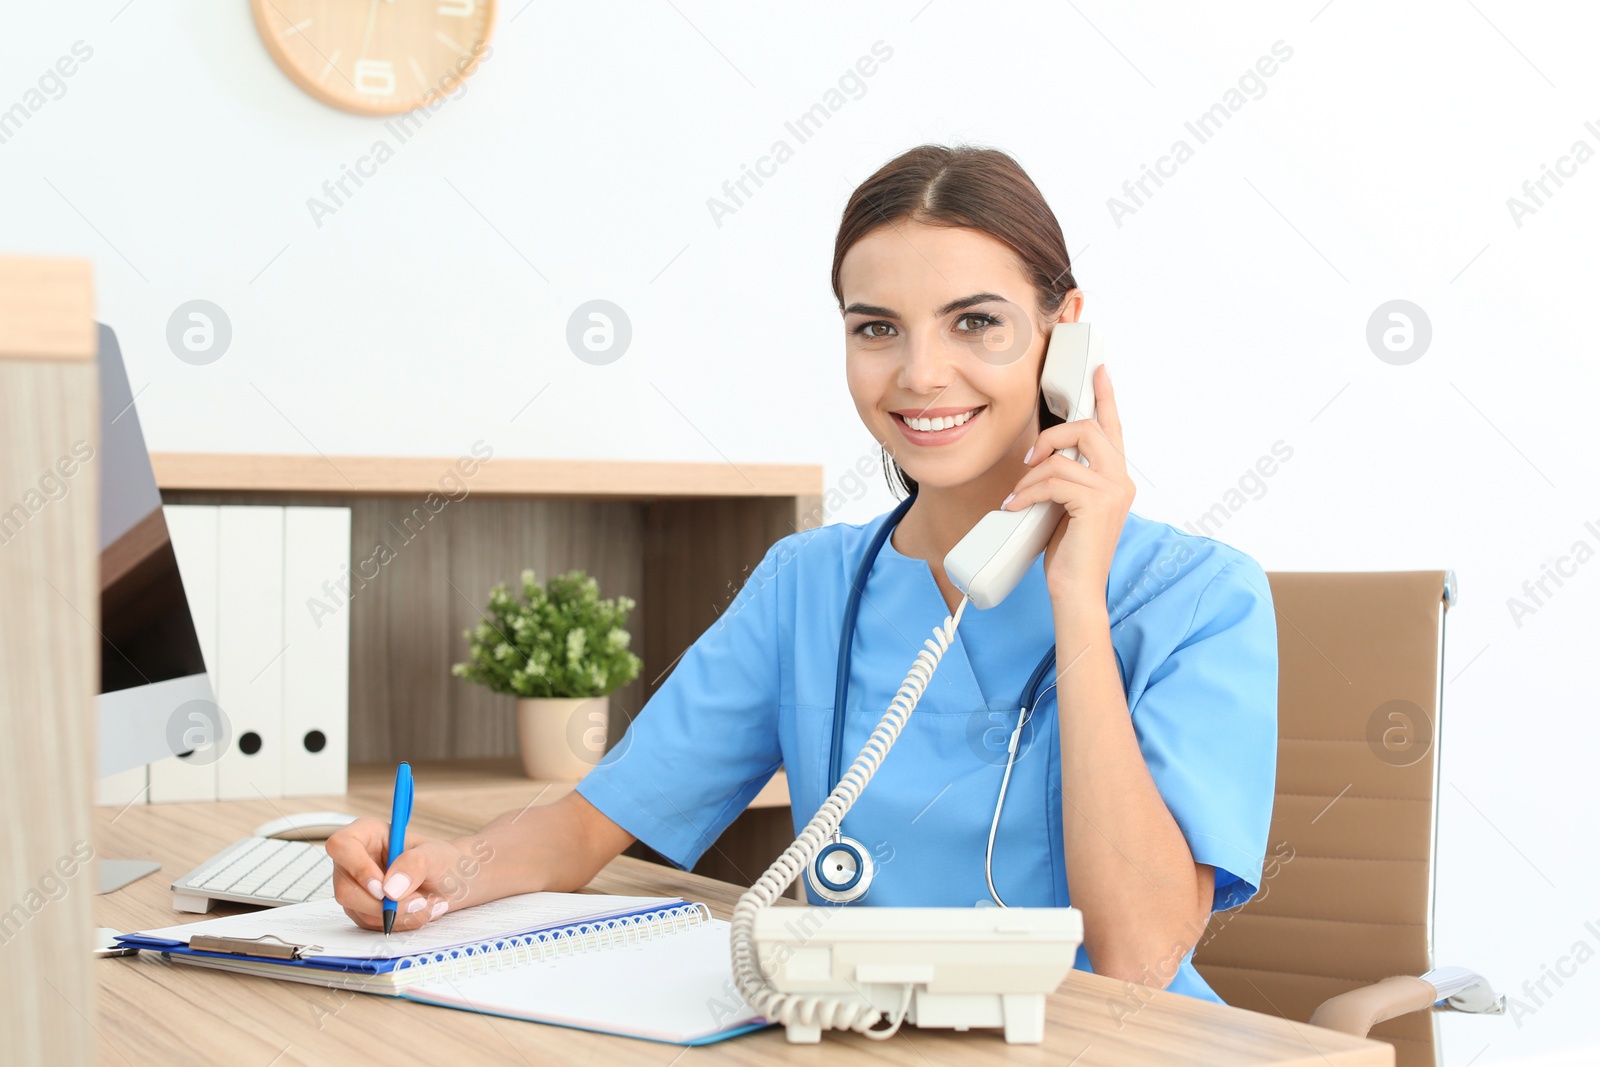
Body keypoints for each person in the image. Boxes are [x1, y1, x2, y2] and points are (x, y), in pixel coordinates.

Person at [326, 143, 1278, 1004]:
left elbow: (1140, 955)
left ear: (1064, 334)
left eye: (975, 322)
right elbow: (589, 825)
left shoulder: (1198, 598)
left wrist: (1076, 595)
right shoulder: (808, 584)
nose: (920, 374)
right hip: (865, 1031)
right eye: (877, 329)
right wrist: (439, 874)